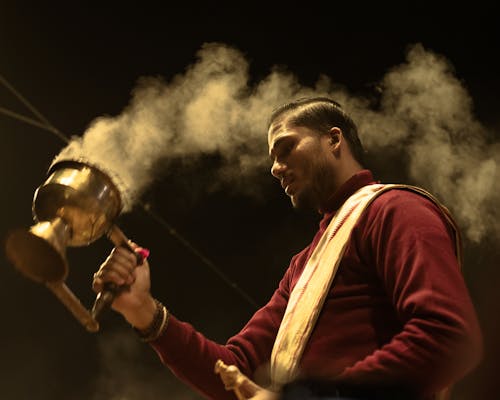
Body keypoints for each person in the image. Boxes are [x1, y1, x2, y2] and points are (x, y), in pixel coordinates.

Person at [92, 97, 483, 400]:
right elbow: (236, 371)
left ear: (334, 140)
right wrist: (142, 309)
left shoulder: (396, 209)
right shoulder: (304, 264)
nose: (275, 168)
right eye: (271, 158)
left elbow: (446, 334)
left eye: (285, 148)